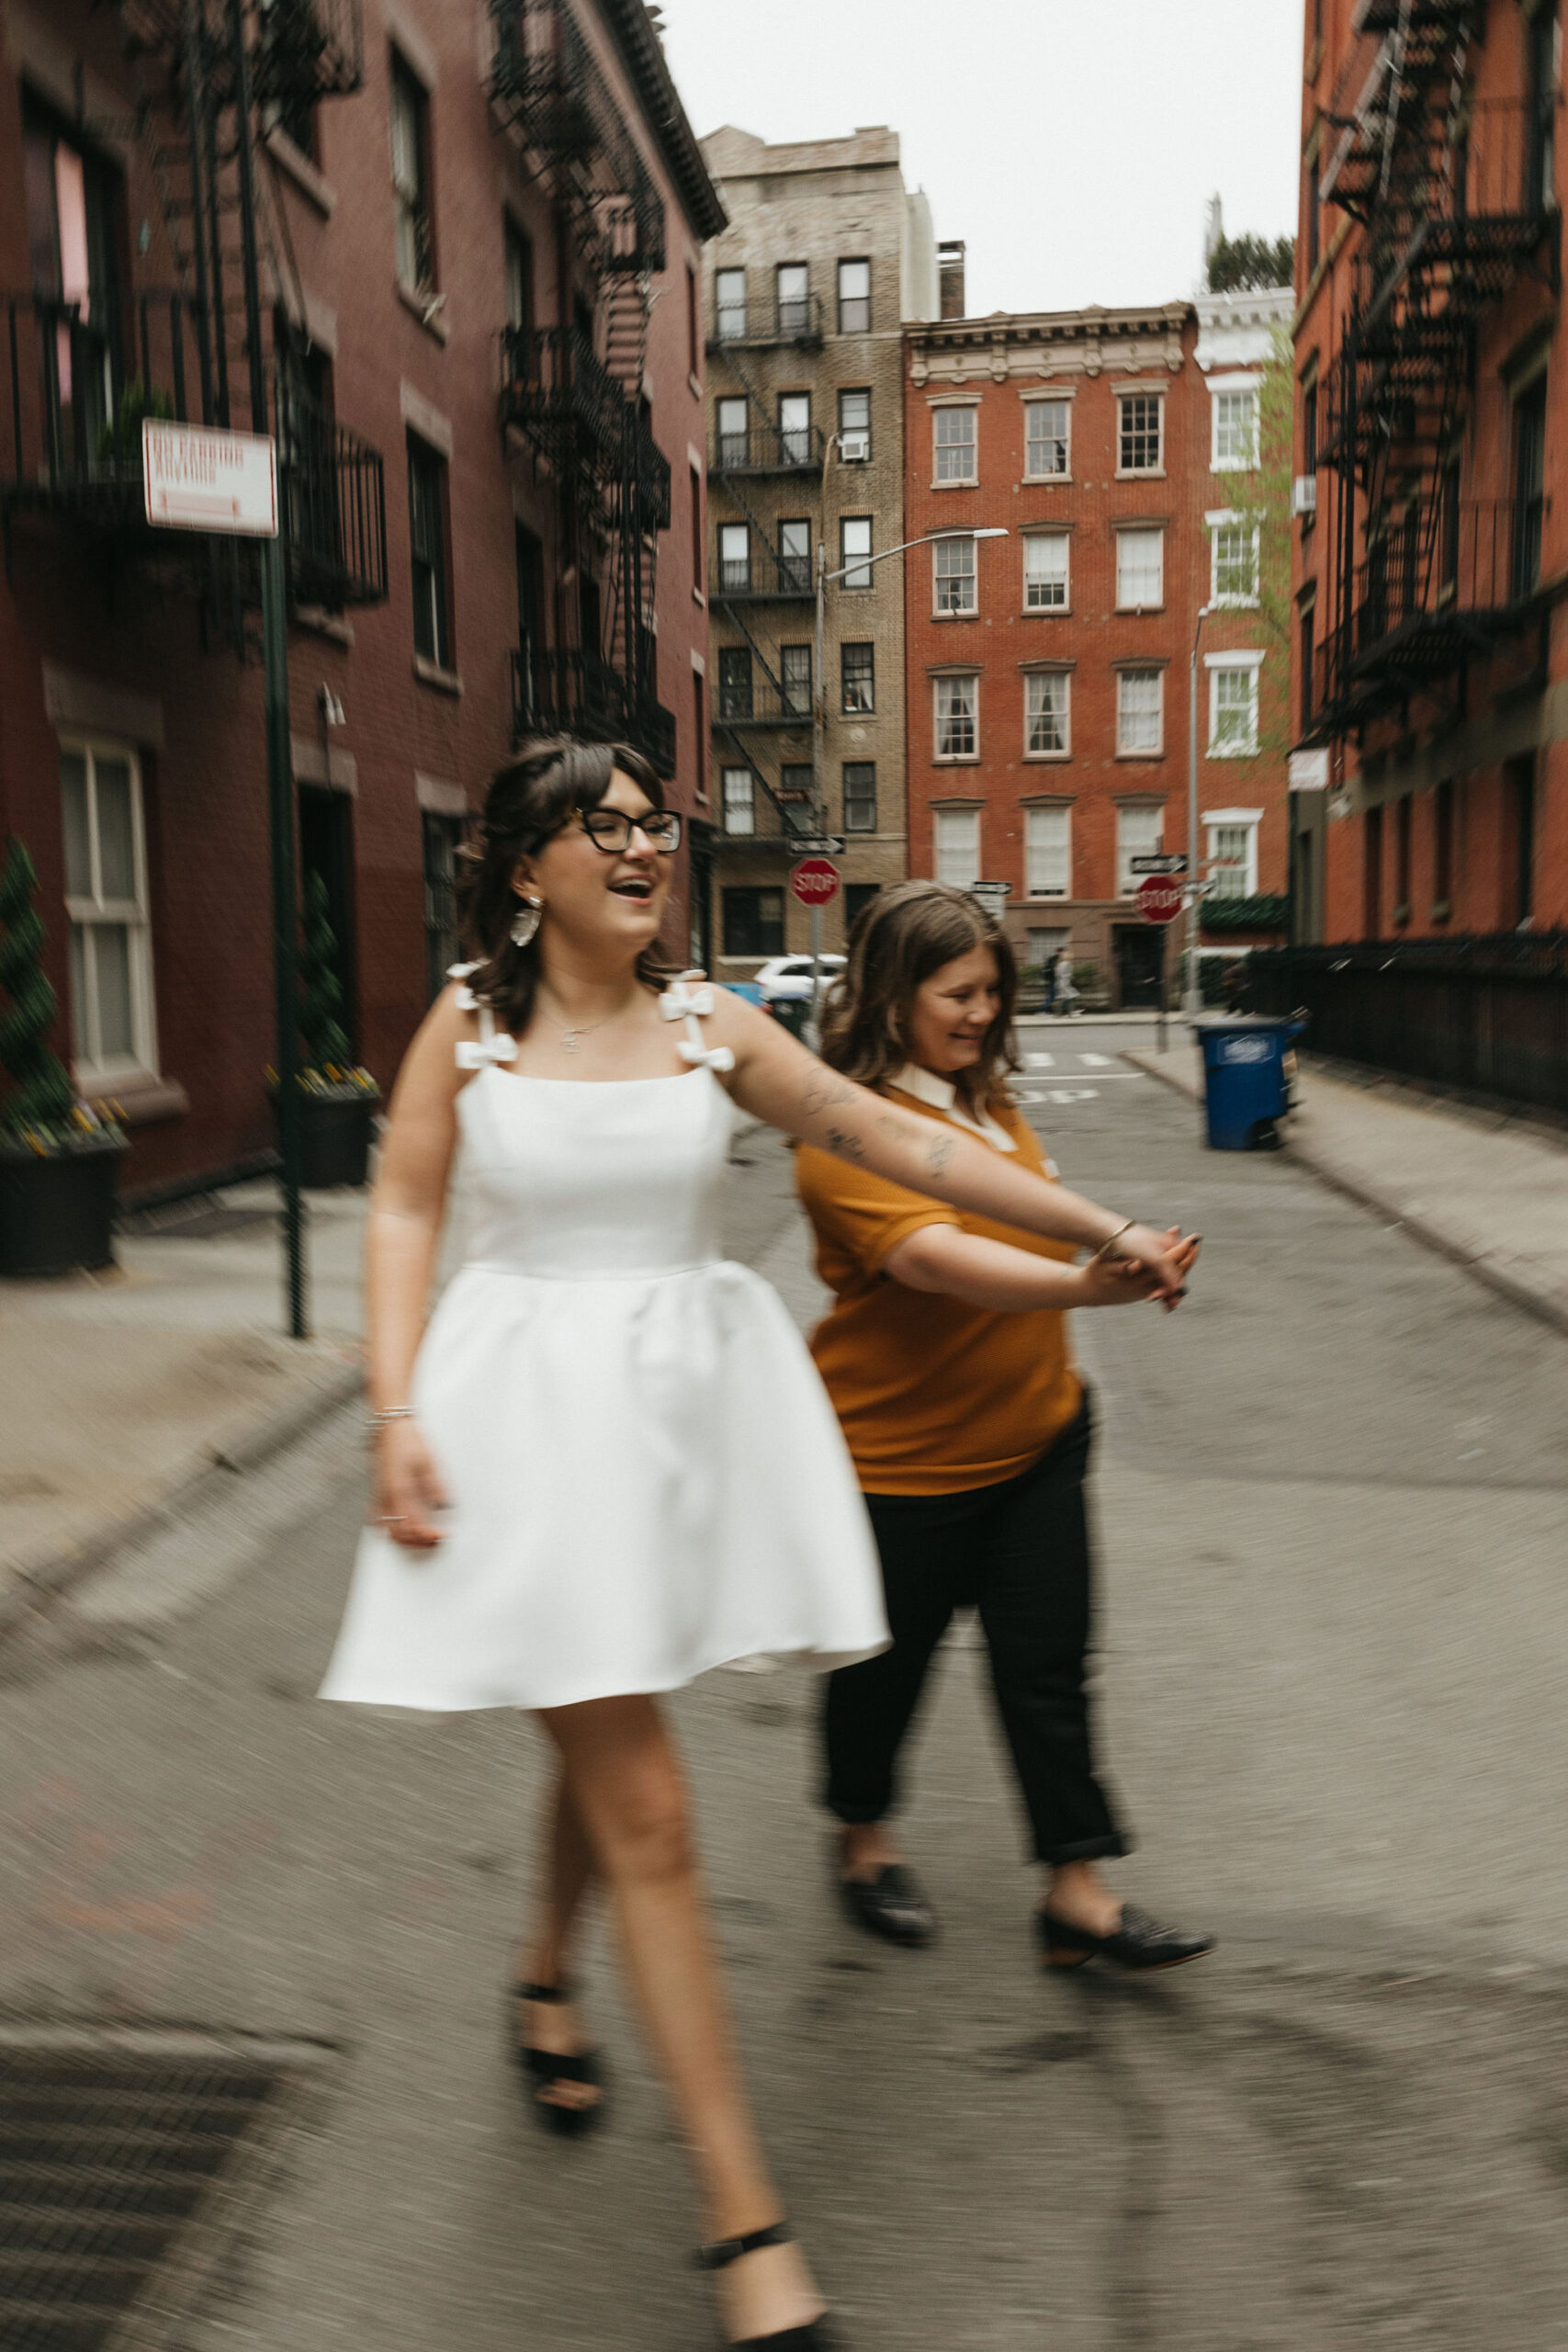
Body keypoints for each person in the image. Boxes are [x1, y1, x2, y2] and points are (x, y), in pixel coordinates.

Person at [319, 748, 1190, 2349]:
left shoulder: (713, 1025)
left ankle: (540, 1978)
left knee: (605, 1723)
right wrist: (391, 1411)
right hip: (519, 1429)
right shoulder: (469, 1022)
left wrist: (1099, 1234)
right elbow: (399, 1210)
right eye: (611, 826)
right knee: (644, 1797)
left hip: (665, 1431)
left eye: (658, 824)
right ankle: (747, 2232)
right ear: (529, 868)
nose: (647, 847)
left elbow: (899, 1140)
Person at [796, 882, 1212, 1973]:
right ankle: (863, 1836)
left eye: (992, 991)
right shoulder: (845, 1129)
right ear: (892, 994)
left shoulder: (988, 1104)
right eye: (958, 993)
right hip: (901, 1464)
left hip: (1038, 1438)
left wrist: (1107, 1256)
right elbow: (933, 1257)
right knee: (883, 1670)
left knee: (1048, 1667)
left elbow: (1021, 1223)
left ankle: (1077, 1888)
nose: (981, 1013)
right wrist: (1089, 1291)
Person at [1054, 944, 1079, 1018]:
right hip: (1065, 982)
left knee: (1064, 997)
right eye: (1070, 955)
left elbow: (1057, 974)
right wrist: (1069, 977)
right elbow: (1068, 974)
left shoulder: (1061, 964)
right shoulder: (1067, 964)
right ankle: (1071, 1013)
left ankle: (1060, 1014)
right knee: (1068, 997)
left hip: (1061, 982)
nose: (1072, 956)